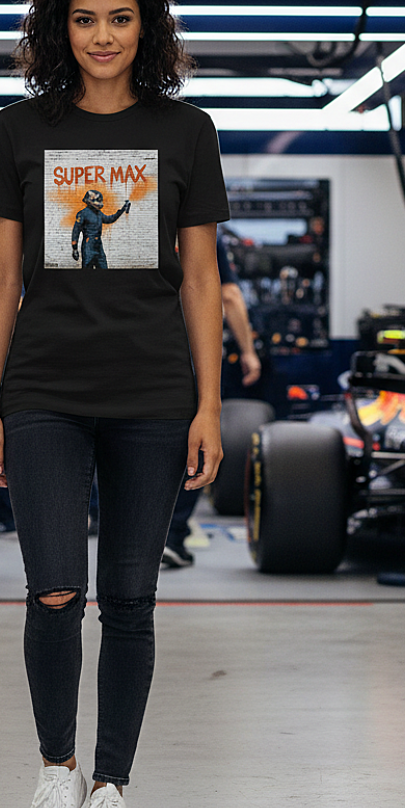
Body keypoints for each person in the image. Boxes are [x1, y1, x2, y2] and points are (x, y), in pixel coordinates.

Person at [0, 0, 226, 808]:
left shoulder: (186, 131)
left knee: (129, 597)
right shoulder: (19, 129)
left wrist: (208, 404)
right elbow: (0, 277)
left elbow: (201, 280)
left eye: (120, 18)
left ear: (145, 28)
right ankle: (56, 772)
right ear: (57, 29)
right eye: (85, 19)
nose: (103, 36)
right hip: (43, 390)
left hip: (154, 393)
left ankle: (111, 791)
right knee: (53, 589)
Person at [162, 230, 260, 567]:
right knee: (193, 441)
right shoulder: (201, 232)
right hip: (188, 352)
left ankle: (125, 529)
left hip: (135, 352)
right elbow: (229, 295)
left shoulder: (133, 222)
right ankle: (171, 536)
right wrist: (248, 351)